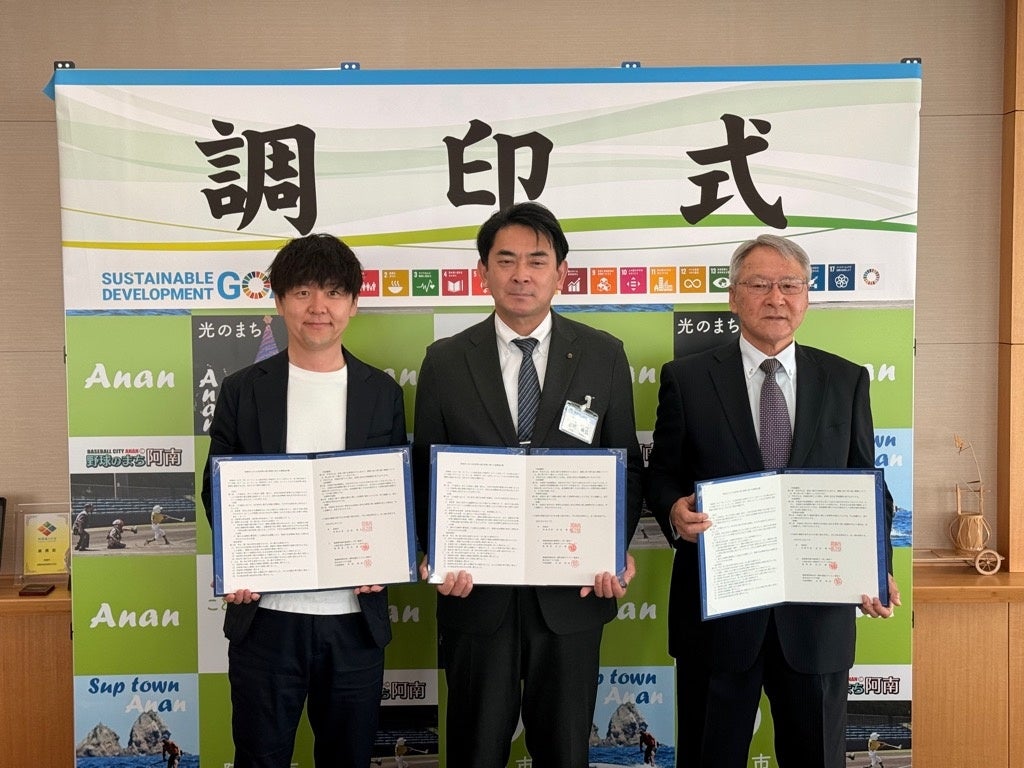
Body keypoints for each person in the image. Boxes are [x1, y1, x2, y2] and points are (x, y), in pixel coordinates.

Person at [645, 234, 901, 768]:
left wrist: (876, 567)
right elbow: (663, 473)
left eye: (790, 285)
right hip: (718, 617)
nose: (776, 298)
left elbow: (867, 486)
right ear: (733, 296)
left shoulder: (845, 379)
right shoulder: (687, 379)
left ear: (806, 296)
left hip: (816, 618)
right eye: (760, 284)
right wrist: (673, 509)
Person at [412, 202, 643, 768]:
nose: (521, 275)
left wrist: (612, 549)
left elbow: (627, 467)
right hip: (475, 593)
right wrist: (434, 554)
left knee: (565, 752)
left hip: (573, 593)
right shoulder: (444, 361)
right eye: (506, 260)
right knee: (474, 750)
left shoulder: (604, 355)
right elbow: (425, 471)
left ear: (560, 273)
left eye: (537, 261)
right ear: (483, 272)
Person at [200, 233, 407, 768]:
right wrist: (239, 559)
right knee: (260, 758)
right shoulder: (243, 389)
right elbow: (216, 488)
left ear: (353, 304)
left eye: (334, 292)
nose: (319, 307)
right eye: (303, 292)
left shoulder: (381, 392)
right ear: (279, 301)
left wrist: (385, 557)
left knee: (349, 758)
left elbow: (393, 493)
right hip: (266, 618)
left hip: (354, 620)